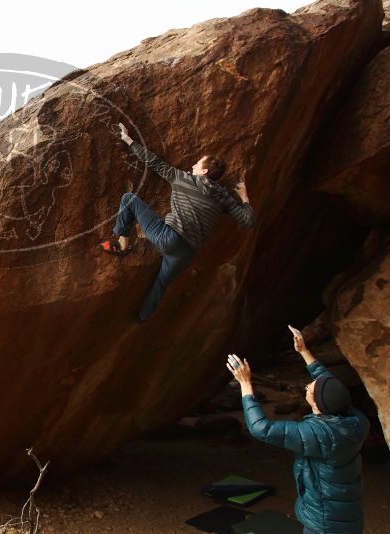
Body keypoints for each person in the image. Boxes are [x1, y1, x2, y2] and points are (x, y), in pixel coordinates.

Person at [102, 123, 256, 321]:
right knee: (161, 284)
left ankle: (122, 245)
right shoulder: (223, 198)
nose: (193, 165)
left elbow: (154, 162)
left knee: (128, 199)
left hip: (169, 238)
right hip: (187, 253)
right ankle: (141, 317)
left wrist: (128, 139)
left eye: (198, 164)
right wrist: (244, 197)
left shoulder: (182, 179)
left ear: (204, 172)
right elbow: (248, 220)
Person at [226, 325, 370, 534]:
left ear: (317, 405)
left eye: (310, 388)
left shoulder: (319, 435)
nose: (308, 385)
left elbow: (261, 429)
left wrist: (245, 383)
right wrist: (304, 351)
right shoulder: (355, 420)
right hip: (349, 518)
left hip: (324, 524)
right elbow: (330, 384)